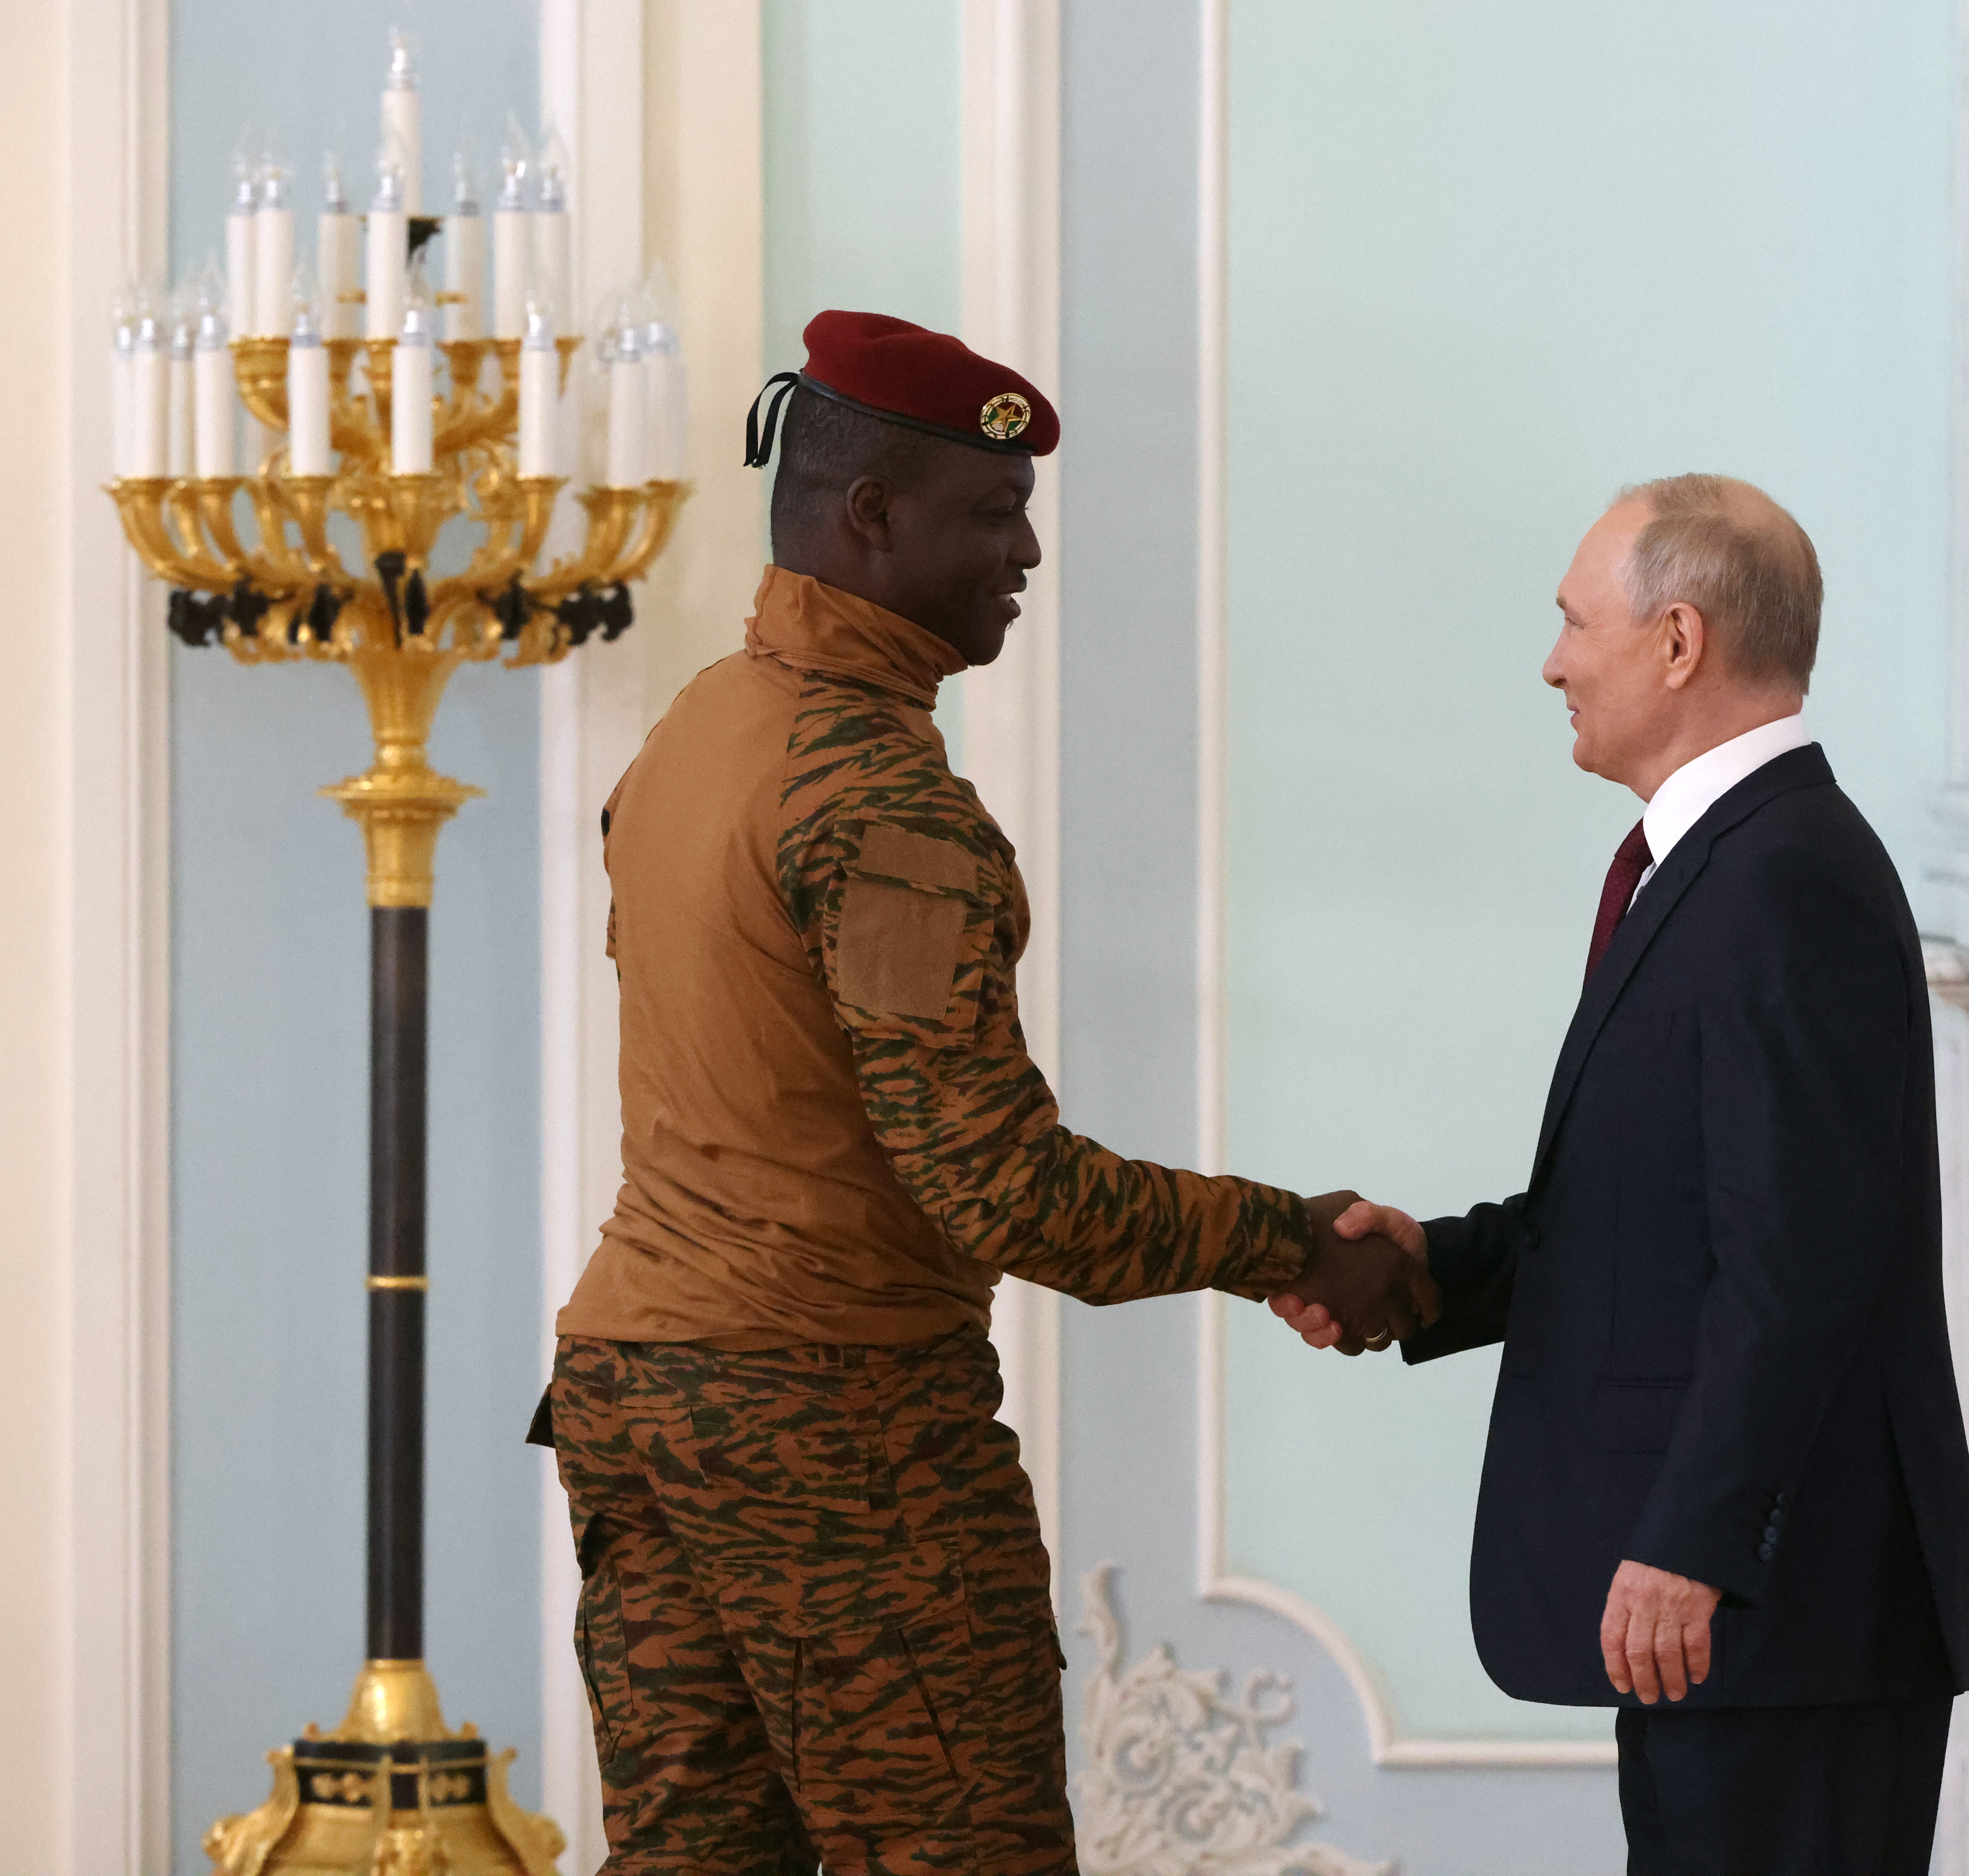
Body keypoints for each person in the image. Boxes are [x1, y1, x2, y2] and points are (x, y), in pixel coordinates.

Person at [535, 310, 1434, 1875]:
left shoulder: (693, 731)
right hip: (830, 1415)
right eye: (991, 511)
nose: (1024, 550)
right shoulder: (876, 797)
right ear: (868, 515)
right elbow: (1003, 1190)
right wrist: (1292, 1238)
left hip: (636, 1390)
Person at [1273, 476, 1969, 1874]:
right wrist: (1424, 1266)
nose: (1552, 661)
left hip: (1772, 1603)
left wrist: (1695, 1542)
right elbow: (1654, 1219)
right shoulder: (1719, 865)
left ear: (1677, 642)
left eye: (1570, 622)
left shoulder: (1785, 878)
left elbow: (1800, 1263)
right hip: (1734, 1618)